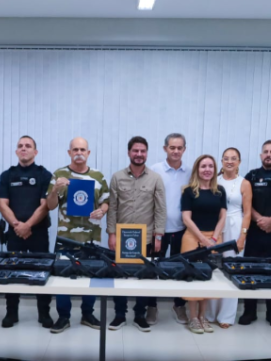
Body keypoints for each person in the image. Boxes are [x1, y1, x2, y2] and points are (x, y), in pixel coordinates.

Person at [46, 137, 110, 333]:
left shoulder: (98, 176)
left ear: (88, 153)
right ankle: (63, 317)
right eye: (75, 149)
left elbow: (106, 201)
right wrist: (55, 189)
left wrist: (102, 211)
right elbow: (50, 206)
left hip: (91, 239)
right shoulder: (59, 174)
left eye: (82, 149)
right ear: (69, 152)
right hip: (66, 238)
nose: (79, 153)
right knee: (62, 278)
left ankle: (87, 314)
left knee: (90, 277)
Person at [106, 136, 167, 332]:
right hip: (122, 238)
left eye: (142, 151)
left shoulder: (155, 178)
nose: (139, 154)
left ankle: (140, 315)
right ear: (129, 153)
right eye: (135, 151)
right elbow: (112, 208)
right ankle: (119, 314)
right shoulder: (117, 177)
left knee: (145, 278)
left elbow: (160, 209)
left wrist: (158, 235)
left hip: (146, 238)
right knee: (119, 277)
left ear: (146, 153)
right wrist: (111, 234)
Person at [0, 136, 54, 328]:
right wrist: (17, 225)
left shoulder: (44, 175)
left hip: (38, 233)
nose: (24, 149)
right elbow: (2, 204)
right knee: (12, 272)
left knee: (41, 271)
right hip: (15, 234)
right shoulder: (7, 175)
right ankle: (11, 313)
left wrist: (27, 225)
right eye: (20, 146)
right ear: (16, 151)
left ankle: (44, 314)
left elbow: (45, 205)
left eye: (28, 146)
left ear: (35, 152)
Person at [238, 140, 271, 327]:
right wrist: (261, 220)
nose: (269, 154)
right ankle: (249, 312)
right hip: (254, 232)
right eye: (266, 151)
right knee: (251, 271)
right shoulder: (251, 176)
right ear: (261, 155)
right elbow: (245, 203)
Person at [149, 133, 192, 325]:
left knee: (180, 270)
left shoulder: (190, 172)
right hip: (157, 230)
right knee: (153, 269)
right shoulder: (155, 170)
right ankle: (151, 306)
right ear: (165, 148)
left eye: (179, 148)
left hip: (181, 230)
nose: (176, 151)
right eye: (172, 147)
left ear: (184, 149)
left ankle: (179, 305)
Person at [180, 155, 226, 334]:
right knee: (193, 278)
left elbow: (223, 216)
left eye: (210, 166)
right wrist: (203, 239)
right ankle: (193, 317)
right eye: (203, 166)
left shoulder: (220, 191)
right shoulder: (189, 191)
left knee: (209, 278)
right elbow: (186, 218)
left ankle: (203, 316)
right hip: (193, 238)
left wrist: (213, 238)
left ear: (214, 170)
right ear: (197, 170)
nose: (207, 170)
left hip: (214, 239)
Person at [207, 148, 251, 328]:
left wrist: (242, 237)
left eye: (233, 158)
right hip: (215, 226)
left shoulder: (244, 183)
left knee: (231, 269)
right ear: (222, 161)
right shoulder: (213, 180)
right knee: (213, 269)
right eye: (226, 158)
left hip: (235, 226)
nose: (229, 161)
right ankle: (209, 313)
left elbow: (247, 213)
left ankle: (226, 316)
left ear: (239, 161)